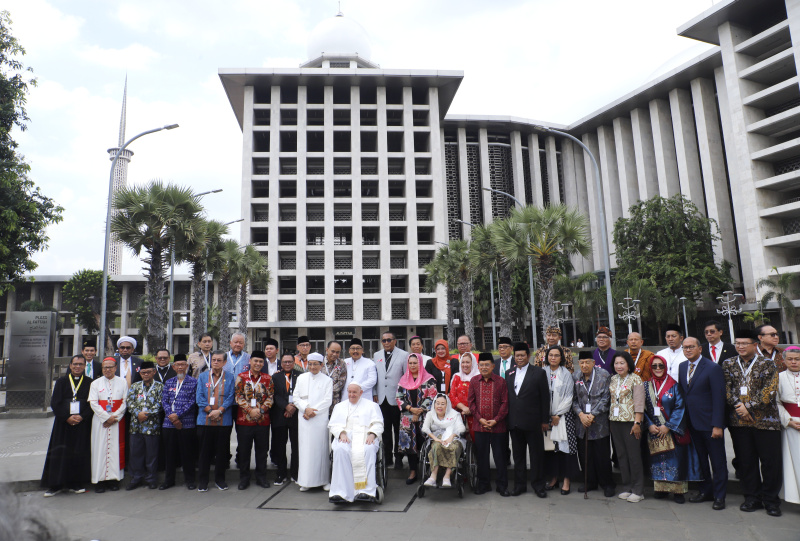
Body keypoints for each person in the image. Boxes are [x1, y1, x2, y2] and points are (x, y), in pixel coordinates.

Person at [722, 329, 782, 516]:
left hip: (766, 421)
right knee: (746, 462)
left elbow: (769, 391)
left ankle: (771, 500)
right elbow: (727, 389)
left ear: (754, 344)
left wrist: (748, 407)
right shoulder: (728, 364)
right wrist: (739, 407)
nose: (739, 346)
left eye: (743, 343)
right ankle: (751, 497)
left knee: (770, 462)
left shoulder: (767, 364)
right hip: (739, 422)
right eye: (737, 343)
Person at [643, 353, 703, 503]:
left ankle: (678, 492)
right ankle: (661, 490)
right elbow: (642, 408)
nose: (657, 368)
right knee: (658, 460)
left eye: (661, 366)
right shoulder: (645, 385)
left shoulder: (674, 385)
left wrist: (668, 426)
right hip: (654, 430)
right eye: (654, 366)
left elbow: (680, 407)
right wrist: (649, 424)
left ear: (665, 367)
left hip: (671, 430)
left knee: (675, 460)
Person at [678, 337, 728, 509]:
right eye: (685, 348)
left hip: (710, 424)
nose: (688, 350)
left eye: (691, 347)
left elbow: (719, 398)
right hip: (692, 424)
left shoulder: (712, 368)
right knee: (701, 461)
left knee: (718, 461)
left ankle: (720, 496)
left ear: (700, 348)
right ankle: (706, 491)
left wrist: (717, 424)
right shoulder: (682, 366)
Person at [41, 355, 93, 497]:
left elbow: (92, 403)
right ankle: (55, 485)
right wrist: (67, 417)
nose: (78, 367)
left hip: (82, 423)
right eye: (75, 364)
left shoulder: (89, 382)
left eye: (81, 364)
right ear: (70, 366)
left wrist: (82, 416)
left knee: (79, 452)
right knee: (60, 453)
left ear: (84, 366)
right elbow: (55, 403)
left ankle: (75, 483)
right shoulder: (61, 382)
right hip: (63, 424)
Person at [506, 342, 550, 497]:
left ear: (528, 356)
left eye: (522, 355)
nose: (519, 358)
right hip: (515, 422)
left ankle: (538, 485)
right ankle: (520, 485)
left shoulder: (538, 373)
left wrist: (545, 420)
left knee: (536, 455)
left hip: (533, 422)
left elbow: (545, 398)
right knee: (518, 456)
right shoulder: (509, 373)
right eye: (517, 355)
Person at [328, 383, 384, 503]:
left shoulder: (372, 406)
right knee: (340, 450)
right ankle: (341, 492)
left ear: (361, 393)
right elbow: (333, 425)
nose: (351, 395)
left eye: (354, 392)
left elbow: (378, 424)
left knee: (368, 449)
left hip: (365, 436)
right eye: (350, 392)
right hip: (346, 436)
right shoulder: (340, 406)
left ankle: (366, 491)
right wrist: (341, 433)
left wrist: (372, 434)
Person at [572, 351, 615, 497]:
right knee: (585, 455)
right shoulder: (575, 376)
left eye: (587, 362)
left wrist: (592, 415)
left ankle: (607, 483)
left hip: (599, 422)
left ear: (593, 362)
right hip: (582, 423)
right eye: (581, 362)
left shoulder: (603, 375)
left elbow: (606, 398)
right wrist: (581, 415)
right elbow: (573, 399)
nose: (584, 365)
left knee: (602, 455)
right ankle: (589, 482)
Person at [468, 353, 509, 496]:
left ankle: (502, 485)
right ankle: (484, 484)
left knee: (500, 457)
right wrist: (480, 419)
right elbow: (471, 403)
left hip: (498, 426)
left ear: (493, 366)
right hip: (480, 426)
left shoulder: (501, 381)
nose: (484, 367)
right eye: (481, 365)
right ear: (478, 367)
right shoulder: (473, 381)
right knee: (482, 457)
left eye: (487, 365)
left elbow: (505, 403)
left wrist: (496, 419)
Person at [196, 350, 236, 491]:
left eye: (219, 360)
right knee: (204, 452)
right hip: (204, 420)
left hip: (223, 420)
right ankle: (203, 481)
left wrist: (219, 411)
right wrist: (210, 411)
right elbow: (199, 397)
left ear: (225, 362)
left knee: (221, 453)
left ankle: (220, 479)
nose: (216, 362)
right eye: (214, 360)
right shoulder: (202, 377)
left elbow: (231, 397)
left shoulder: (230, 377)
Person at [608, 351, 645, 502]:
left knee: (633, 455)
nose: (619, 366)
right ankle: (627, 486)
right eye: (616, 363)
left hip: (630, 422)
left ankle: (638, 490)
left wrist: (637, 422)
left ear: (628, 364)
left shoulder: (635, 379)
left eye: (622, 363)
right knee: (621, 455)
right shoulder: (613, 379)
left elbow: (639, 403)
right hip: (614, 420)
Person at [234, 350, 274, 490]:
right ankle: (244, 479)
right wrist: (250, 410)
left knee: (262, 451)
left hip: (263, 420)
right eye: (255, 361)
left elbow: (270, 397)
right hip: (244, 421)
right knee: (244, 451)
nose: (258, 364)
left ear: (263, 364)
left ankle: (261, 477)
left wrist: (261, 410)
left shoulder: (268, 378)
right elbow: (238, 397)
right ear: (250, 362)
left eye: (260, 362)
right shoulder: (241, 377)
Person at [293, 352, 333, 491]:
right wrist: (305, 409)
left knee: (320, 449)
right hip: (304, 418)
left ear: (321, 365)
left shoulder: (327, 380)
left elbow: (327, 400)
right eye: (310, 364)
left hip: (319, 419)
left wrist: (312, 411)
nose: (312, 367)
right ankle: (305, 481)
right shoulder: (301, 378)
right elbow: (296, 397)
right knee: (305, 450)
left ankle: (323, 481)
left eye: (316, 364)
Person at [88, 357, 128, 493]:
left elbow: (125, 402)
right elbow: (93, 403)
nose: (107, 370)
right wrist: (106, 417)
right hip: (100, 422)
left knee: (115, 449)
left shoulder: (122, 382)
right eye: (105, 367)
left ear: (116, 368)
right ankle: (99, 481)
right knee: (100, 449)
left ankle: (113, 480)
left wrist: (114, 417)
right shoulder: (95, 383)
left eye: (110, 367)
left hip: (117, 422)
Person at [396, 352, 437, 485]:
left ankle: (430, 472)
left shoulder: (429, 379)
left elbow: (432, 397)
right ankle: (413, 471)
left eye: (415, 363)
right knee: (410, 446)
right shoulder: (403, 380)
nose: (413, 365)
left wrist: (418, 412)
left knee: (426, 443)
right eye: (410, 363)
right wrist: (410, 409)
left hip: (424, 416)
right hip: (407, 418)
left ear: (420, 364)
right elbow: (398, 398)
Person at [543, 345, 579, 495]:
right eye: (551, 355)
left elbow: (569, 396)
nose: (553, 358)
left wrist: (557, 414)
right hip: (547, 417)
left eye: (556, 355)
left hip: (563, 417)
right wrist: (548, 415)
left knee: (565, 449)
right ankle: (553, 478)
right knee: (551, 450)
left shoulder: (566, 374)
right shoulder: (541, 372)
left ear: (561, 358)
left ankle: (566, 480)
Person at [160, 354, 198, 490]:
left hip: (187, 423)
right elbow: (164, 401)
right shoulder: (169, 382)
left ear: (187, 366)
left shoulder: (193, 382)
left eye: (183, 364)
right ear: (174, 367)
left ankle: (190, 480)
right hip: (168, 423)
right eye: (178, 365)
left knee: (188, 453)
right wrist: (171, 415)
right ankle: (168, 480)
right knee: (169, 454)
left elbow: (193, 401)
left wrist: (178, 415)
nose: (180, 367)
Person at [125, 360, 163, 490]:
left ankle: (151, 478)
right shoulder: (135, 386)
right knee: (135, 453)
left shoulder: (159, 387)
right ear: (140, 373)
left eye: (148, 372)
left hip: (152, 426)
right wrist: (137, 413)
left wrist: (146, 414)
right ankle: (136, 478)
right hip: (136, 426)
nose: (146, 374)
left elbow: (160, 404)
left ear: (154, 372)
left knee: (151, 454)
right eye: (143, 372)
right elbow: (129, 402)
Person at [373, 331, 408, 469]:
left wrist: (404, 397)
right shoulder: (376, 355)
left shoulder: (404, 355)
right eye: (384, 341)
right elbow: (375, 376)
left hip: (397, 399)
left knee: (398, 430)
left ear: (395, 341)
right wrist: (375, 392)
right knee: (385, 430)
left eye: (389, 340)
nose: (386, 343)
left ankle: (398, 458)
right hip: (382, 398)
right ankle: (388, 458)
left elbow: (406, 377)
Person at [422, 394, 466, 488]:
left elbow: (461, 428)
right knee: (436, 446)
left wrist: (451, 436)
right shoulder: (430, 414)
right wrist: (436, 439)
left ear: (447, 405)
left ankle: (447, 476)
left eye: (443, 404)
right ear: (434, 404)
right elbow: (425, 428)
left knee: (454, 447)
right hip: (437, 438)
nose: (439, 406)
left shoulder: (454, 414)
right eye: (437, 403)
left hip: (453, 437)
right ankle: (433, 476)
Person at [271, 353, 302, 485]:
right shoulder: (276, 376)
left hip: (296, 415)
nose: (288, 364)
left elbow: (302, 393)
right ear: (281, 364)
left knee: (296, 446)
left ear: (293, 363)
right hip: (279, 415)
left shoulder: (300, 376)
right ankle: (281, 473)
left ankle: (295, 473)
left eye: (290, 362)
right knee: (280, 446)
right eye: (285, 362)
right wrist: (286, 406)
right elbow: (275, 395)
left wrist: (293, 406)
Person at [778, 346, 800, 505]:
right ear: (784, 360)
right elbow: (776, 403)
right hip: (790, 425)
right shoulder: (779, 377)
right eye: (790, 359)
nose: (793, 362)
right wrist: (788, 421)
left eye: (797, 359)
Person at [449, 352, 479, 441]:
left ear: (473, 363)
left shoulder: (478, 377)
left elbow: (480, 396)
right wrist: (463, 408)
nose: (465, 365)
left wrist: (470, 409)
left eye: (468, 362)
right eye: (463, 362)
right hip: (459, 414)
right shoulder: (457, 376)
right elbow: (452, 395)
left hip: (475, 415)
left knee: (476, 442)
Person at [323, 340, 347, 412]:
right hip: (320, 399)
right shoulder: (319, 362)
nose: (334, 354)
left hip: (335, 402)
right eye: (332, 351)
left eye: (337, 352)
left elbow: (341, 382)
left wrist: (328, 392)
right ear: (327, 349)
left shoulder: (342, 363)